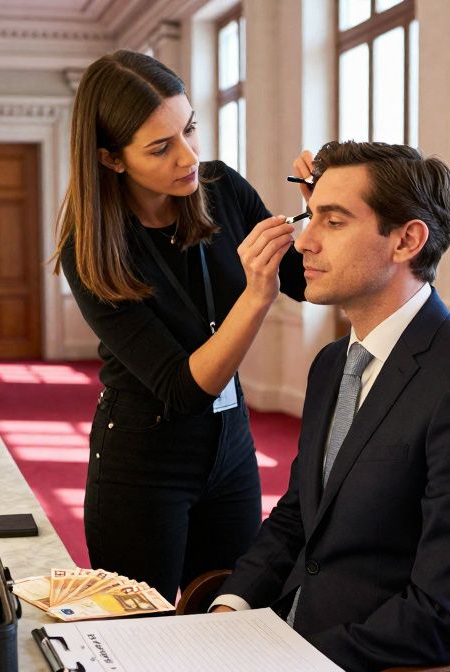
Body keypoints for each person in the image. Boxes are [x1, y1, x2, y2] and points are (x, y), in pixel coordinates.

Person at [177, 141, 450, 672]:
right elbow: (297, 516)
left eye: (333, 220)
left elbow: (443, 615)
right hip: (292, 650)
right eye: (310, 216)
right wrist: (229, 612)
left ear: (406, 241)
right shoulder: (332, 364)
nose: (303, 241)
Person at [52, 50, 309, 603]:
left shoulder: (223, 190)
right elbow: (185, 390)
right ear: (111, 159)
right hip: (143, 462)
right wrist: (256, 296)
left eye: (190, 128)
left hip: (231, 449)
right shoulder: (92, 250)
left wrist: (325, 213)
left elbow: (305, 281)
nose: (189, 156)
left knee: (228, 615)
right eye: (161, 147)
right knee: (141, 633)